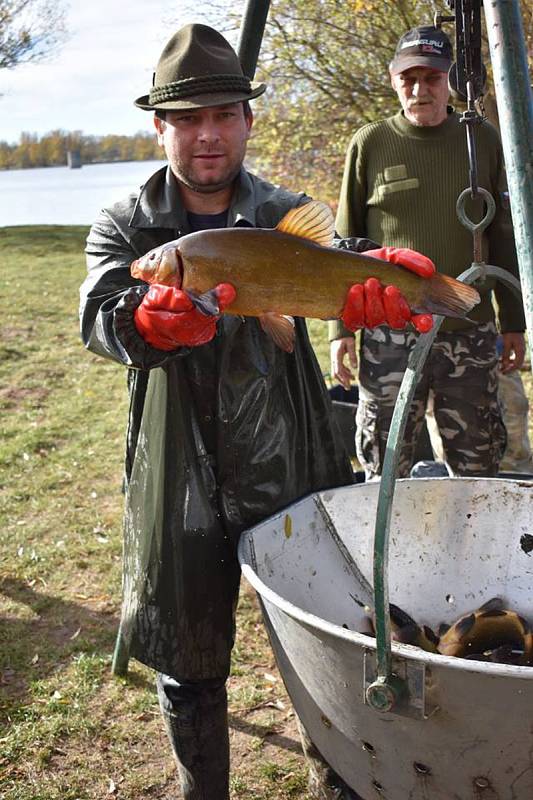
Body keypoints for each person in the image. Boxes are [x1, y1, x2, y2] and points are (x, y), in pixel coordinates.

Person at [79, 24, 436, 800]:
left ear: (247, 120)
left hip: (288, 445)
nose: (207, 134)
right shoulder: (126, 222)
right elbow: (98, 311)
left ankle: (336, 783)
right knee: (187, 657)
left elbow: (341, 258)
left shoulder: (283, 210)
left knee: (324, 643)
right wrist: (137, 322)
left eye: (224, 115)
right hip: (175, 463)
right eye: (188, 118)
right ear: (161, 127)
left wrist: (375, 283)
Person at [329, 25, 526, 480]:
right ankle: (389, 549)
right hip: (389, 334)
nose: (420, 90)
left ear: (449, 80)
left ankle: (470, 548)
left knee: (478, 469)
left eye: (432, 79)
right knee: (383, 468)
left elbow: (502, 236)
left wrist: (512, 321)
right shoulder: (370, 142)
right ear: (393, 78)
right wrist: (340, 330)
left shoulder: (483, 140)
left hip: (469, 332)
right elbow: (344, 245)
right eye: (409, 78)